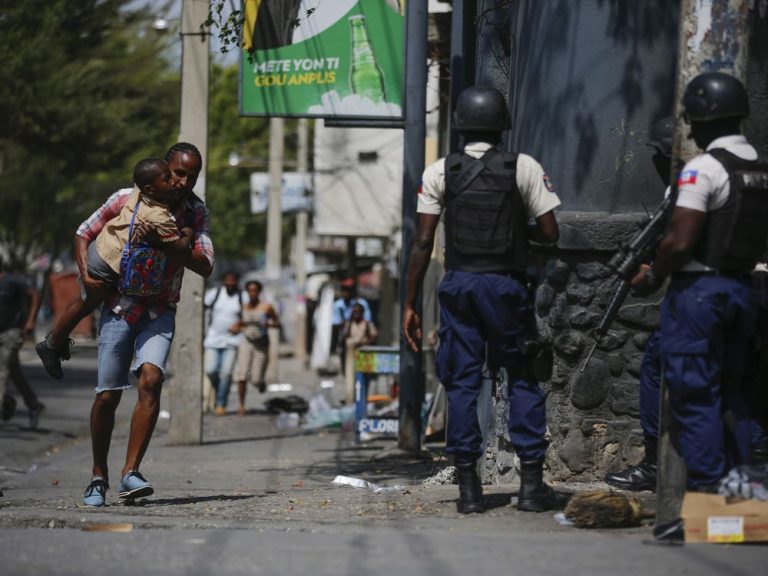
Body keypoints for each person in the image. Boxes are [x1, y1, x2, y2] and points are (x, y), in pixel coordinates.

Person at [402, 86, 562, 514]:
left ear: (459, 124)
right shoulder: (523, 167)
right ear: (501, 125)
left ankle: (469, 491)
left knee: (461, 382)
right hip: (506, 287)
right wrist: (516, 236)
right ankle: (530, 487)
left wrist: (410, 303)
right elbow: (550, 232)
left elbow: (421, 243)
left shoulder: (440, 172)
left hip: (459, 286)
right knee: (523, 375)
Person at [631, 72, 768, 492]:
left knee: (696, 399)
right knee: (735, 397)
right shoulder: (760, 168)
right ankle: (741, 493)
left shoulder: (703, 169)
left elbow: (680, 240)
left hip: (702, 295)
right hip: (745, 291)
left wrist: (653, 274)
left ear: (701, 120)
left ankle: (708, 496)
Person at [72, 142, 214, 507]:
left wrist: (170, 244)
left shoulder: (195, 212)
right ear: (163, 170)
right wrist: (87, 276)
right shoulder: (126, 198)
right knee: (108, 396)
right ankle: (98, 475)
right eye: (178, 173)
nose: (183, 181)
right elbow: (84, 232)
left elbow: (205, 262)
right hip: (120, 306)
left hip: (160, 309)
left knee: (151, 379)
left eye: (191, 176)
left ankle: (130, 473)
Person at [36, 158, 194, 380]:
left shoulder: (137, 195)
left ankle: (56, 342)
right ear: (150, 188)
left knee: (87, 302)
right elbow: (180, 246)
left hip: (100, 250)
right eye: (168, 178)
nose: (175, 183)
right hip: (106, 264)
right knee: (87, 302)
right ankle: (51, 344)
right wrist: (187, 228)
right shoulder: (159, 216)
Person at [0, 258, 45, 429]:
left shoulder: (12, 281)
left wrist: (31, 320)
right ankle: (33, 405)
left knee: (3, 368)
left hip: (12, 332)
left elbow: (34, 294)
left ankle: (3, 401)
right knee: (14, 372)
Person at [232, 280, 280, 416]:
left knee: (256, 378)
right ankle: (242, 405)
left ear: (259, 292)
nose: (252, 293)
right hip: (246, 342)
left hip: (261, 344)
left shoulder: (266, 307)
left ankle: (260, 383)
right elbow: (241, 322)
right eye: (250, 290)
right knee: (241, 374)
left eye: (255, 290)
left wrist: (269, 325)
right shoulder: (244, 307)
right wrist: (236, 327)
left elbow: (277, 323)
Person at [204, 272, 245, 416]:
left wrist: (240, 324)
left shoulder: (242, 296)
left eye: (233, 282)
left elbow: (250, 313)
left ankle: (221, 403)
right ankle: (219, 390)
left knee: (226, 373)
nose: (230, 285)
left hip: (232, 341)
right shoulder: (214, 294)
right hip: (213, 340)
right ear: (223, 282)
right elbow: (202, 309)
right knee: (210, 370)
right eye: (228, 282)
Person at [341, 302, 378, 403]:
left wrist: (366, 342)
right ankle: (350, 399)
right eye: (354, 312)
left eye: (358, 312)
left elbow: (374, 335)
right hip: (351, 353)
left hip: (364, 354)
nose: (356, 314)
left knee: (364, 378)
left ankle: (363, 399)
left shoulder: (367, 324)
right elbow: (344, 336)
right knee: (350, 377)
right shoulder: (349, 324)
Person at [332, 279, 371, 375]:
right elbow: (335, 323)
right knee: (347, 368)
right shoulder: (338, 305)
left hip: (361, 338)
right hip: (347, 338)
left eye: (348, 290)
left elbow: (367, 322)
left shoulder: (361, 303)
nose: (346, 292)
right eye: (344, 289)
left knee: (362, 368)